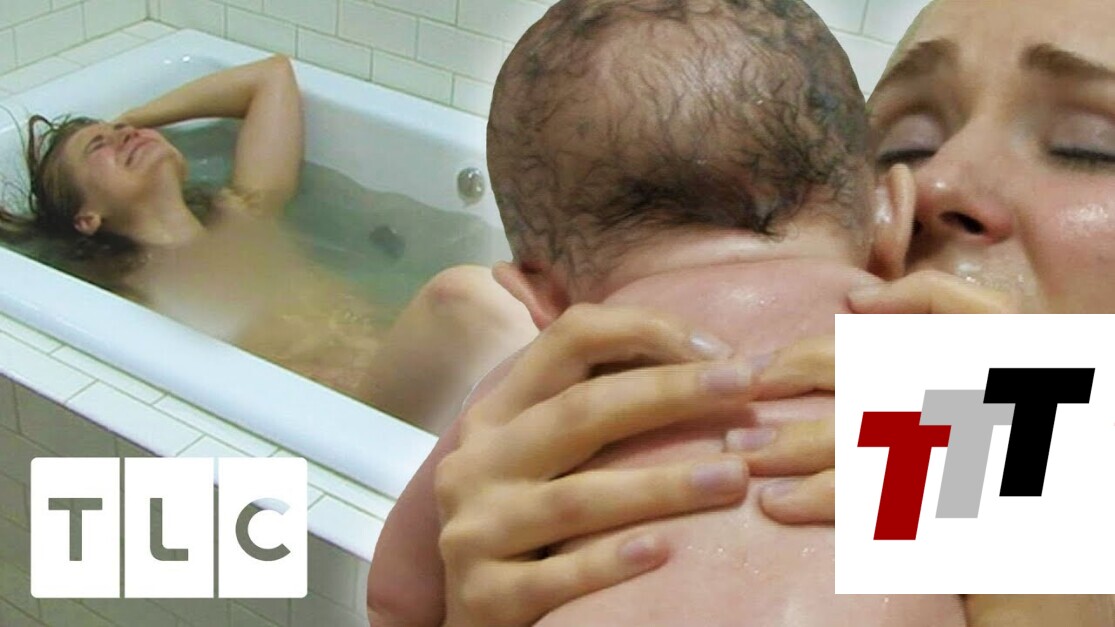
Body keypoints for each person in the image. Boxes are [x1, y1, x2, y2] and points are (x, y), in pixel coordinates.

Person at [368, 0, 1115, 624]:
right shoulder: (966, 406)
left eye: (1090, 147)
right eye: (908, 142)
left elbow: (394, 598)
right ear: (883, 216)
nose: (937, 180)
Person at [0, 56, 536, 433]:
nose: (121, 137)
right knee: (461, 298)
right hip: (352, 416)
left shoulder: (245, 213)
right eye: (99, 145)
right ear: (87, 218)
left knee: (502, 298)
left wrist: (132, 120)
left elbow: (270, 76)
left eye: (119, 131)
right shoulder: (132, 293)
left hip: (411, 384)